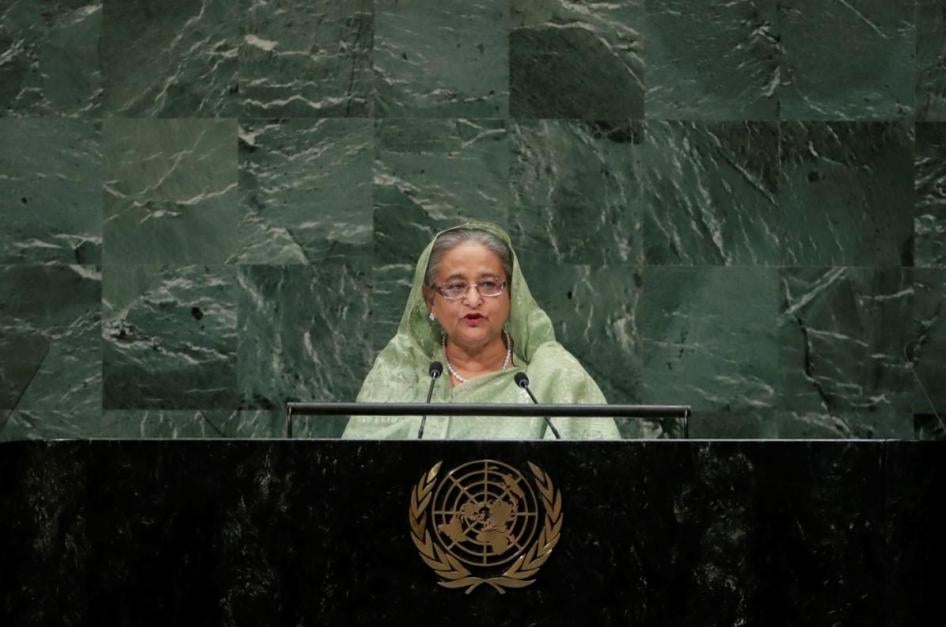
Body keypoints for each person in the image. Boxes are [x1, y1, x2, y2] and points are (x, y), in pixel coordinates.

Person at [342, 222, 620, 439]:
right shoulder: (399, 375)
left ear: (511, 295)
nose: (474, 300)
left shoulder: (552, 379)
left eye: (489, 285)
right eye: (455, 286)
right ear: (430, 300)